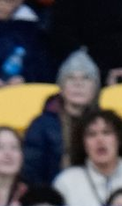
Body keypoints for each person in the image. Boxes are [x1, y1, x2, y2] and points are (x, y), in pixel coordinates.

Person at [53, 108, 122, 206]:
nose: (100, 140)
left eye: (107, 132)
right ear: (82, 143)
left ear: (119, 139)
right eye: (91, 134)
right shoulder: (66, 182)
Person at [23, 50, 101, 190]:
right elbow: (31, 171)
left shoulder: (105, 126)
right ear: (61, 87)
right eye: (71, 78)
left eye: (86, 78)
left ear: (95, 88)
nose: (78, 84)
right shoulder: (41, 125)